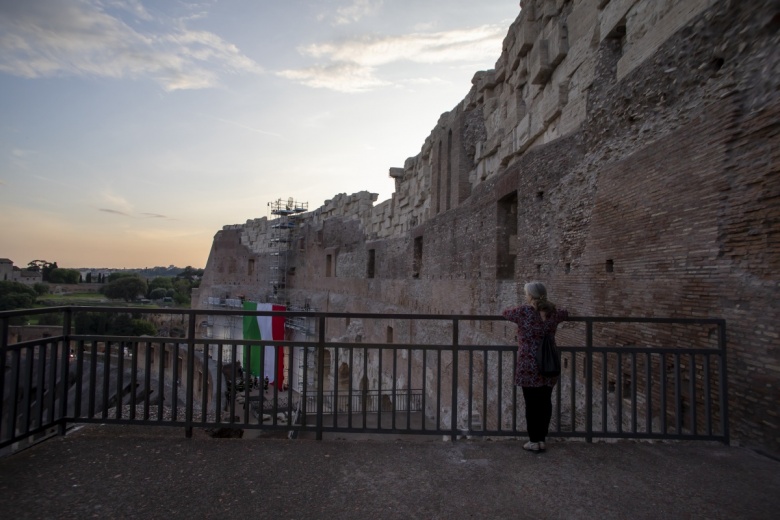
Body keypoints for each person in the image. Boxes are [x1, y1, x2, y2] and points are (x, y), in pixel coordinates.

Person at [502, 281, 568, 453]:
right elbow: (565, 313)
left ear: (530, 296)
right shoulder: (553, 312)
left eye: (526, 293)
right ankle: (541, 439)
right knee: (545, 402)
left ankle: (533, 441)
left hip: (529, 365)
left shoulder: (524, 311)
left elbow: (505, 312)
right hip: (548, 363)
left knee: (531, 404)